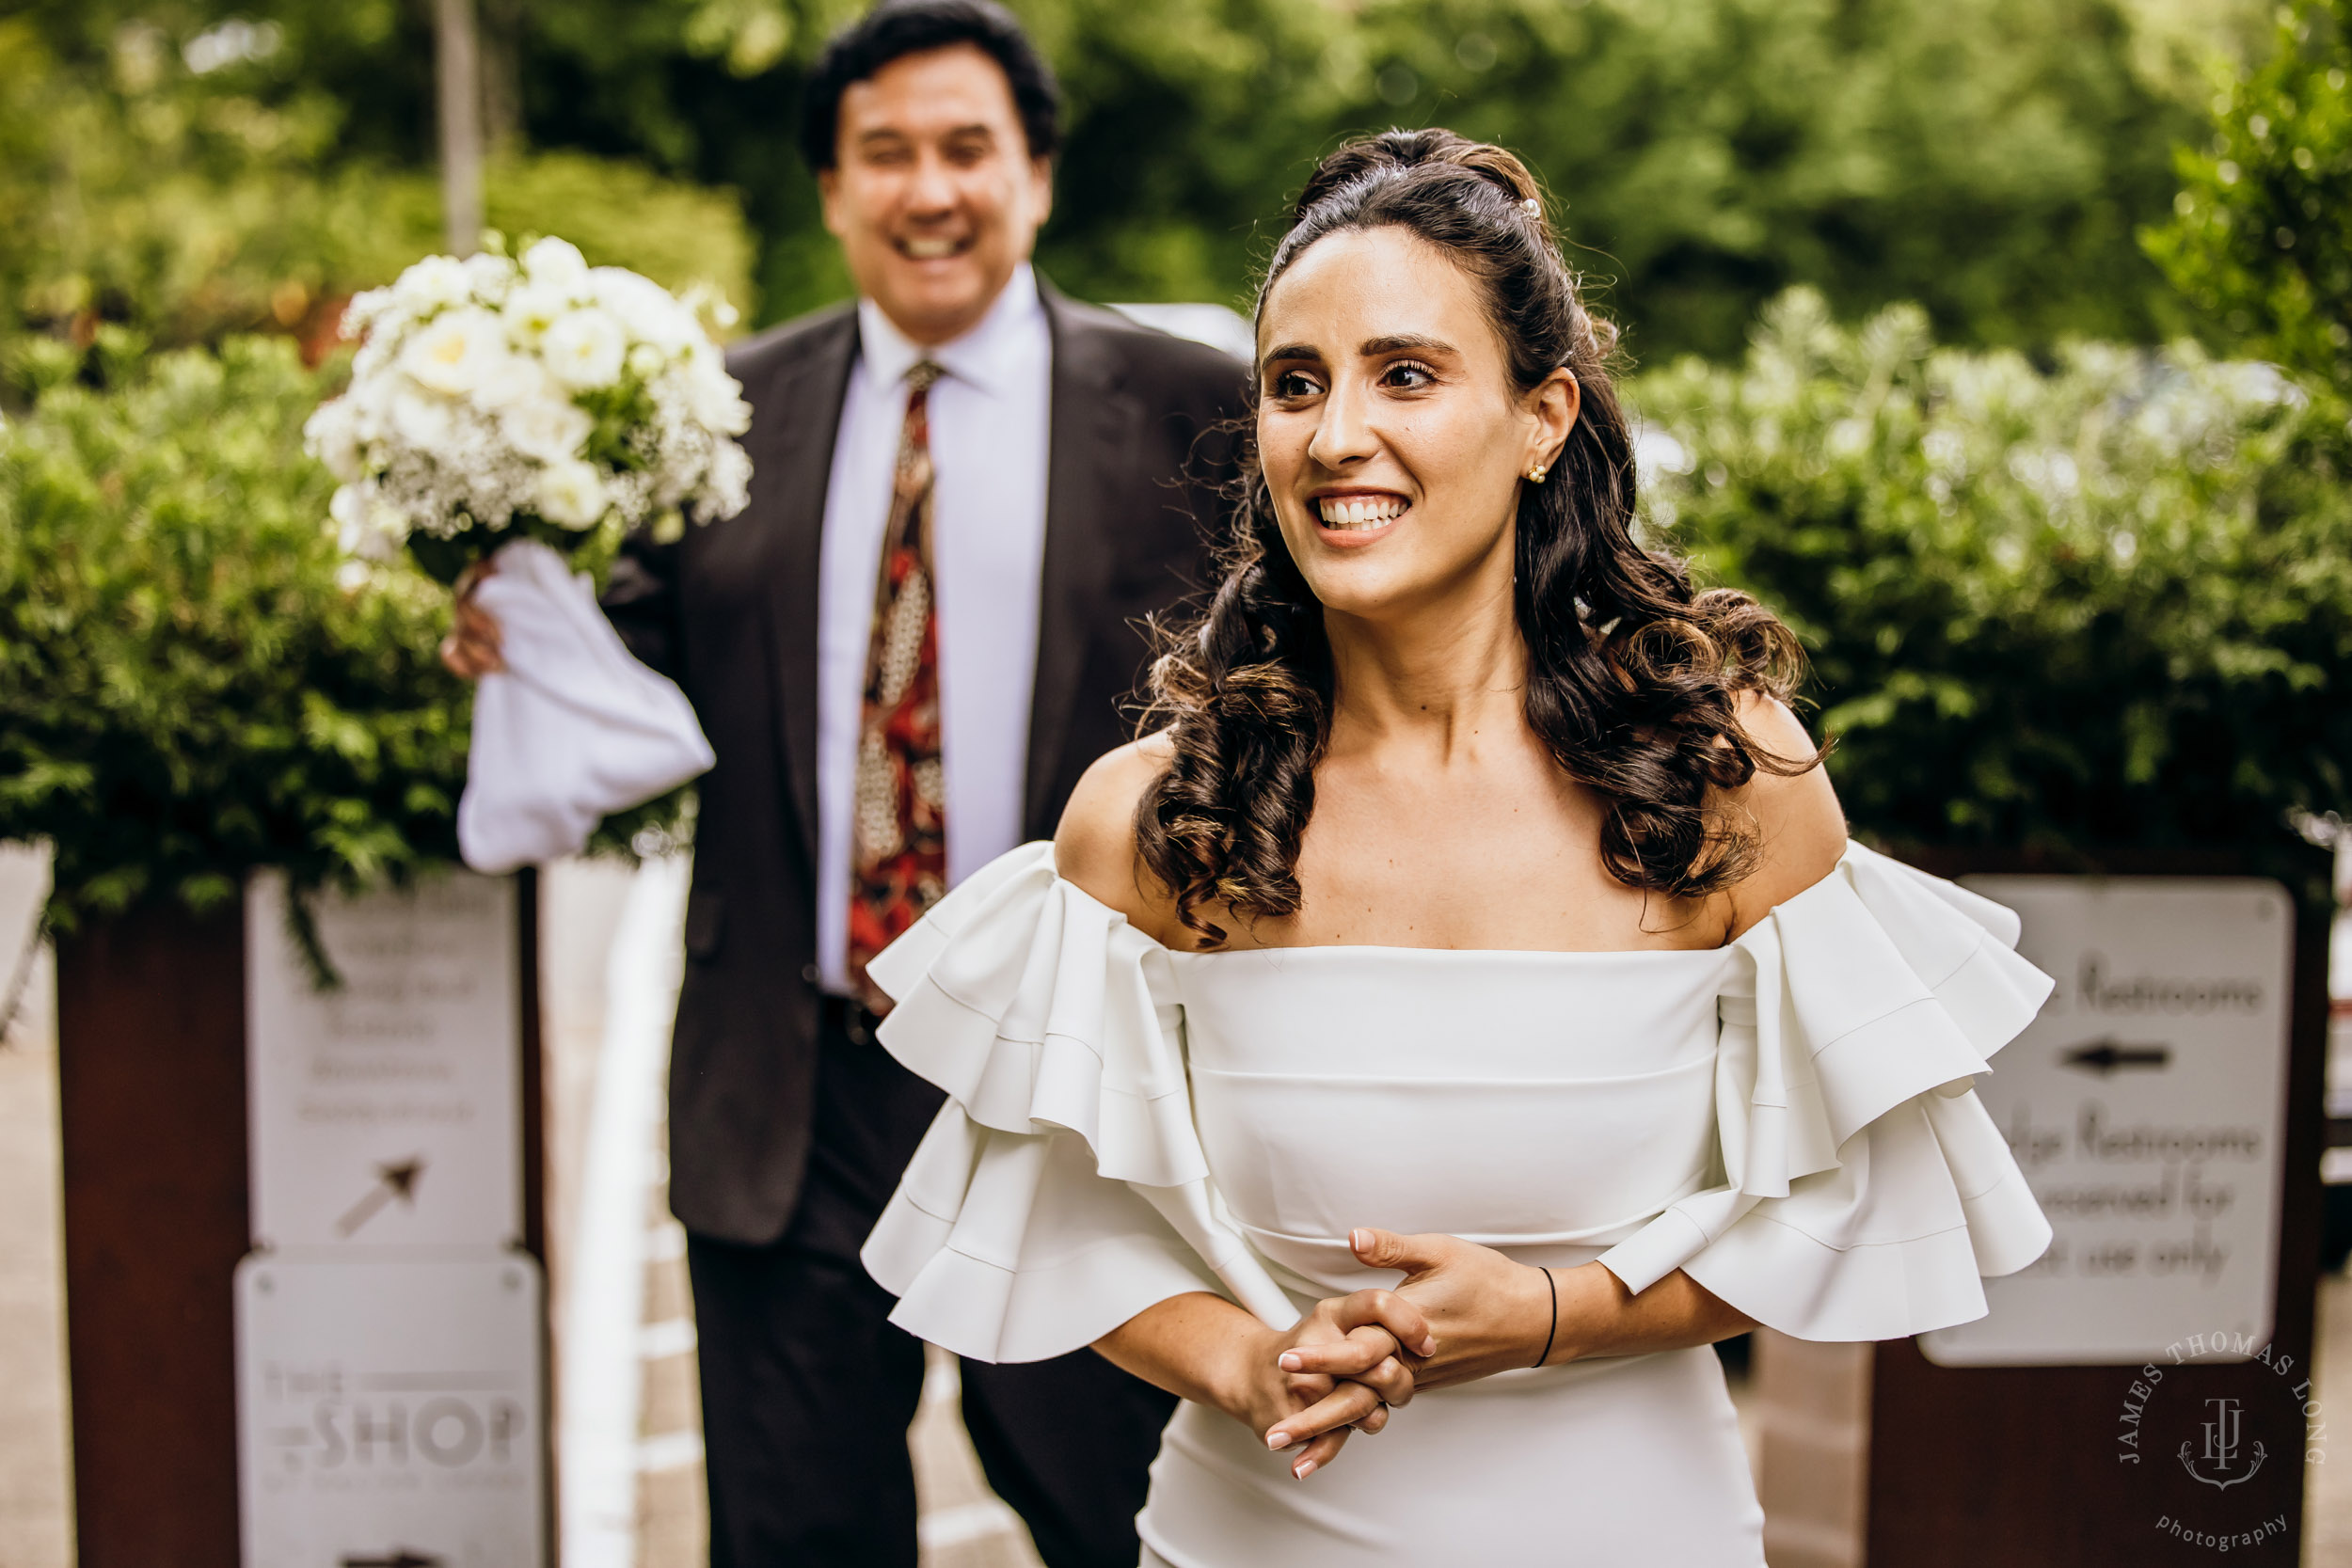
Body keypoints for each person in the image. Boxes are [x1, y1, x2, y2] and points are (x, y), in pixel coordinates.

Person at [855, 129, 2058, 1564]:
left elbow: (1837, 1207)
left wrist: (1555, 1318)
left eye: (1406, 374)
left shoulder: (1723, 782)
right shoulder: (1157, 820)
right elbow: (1058, 1220)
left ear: (1543, 417)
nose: (1336, 433)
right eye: (1295, 385)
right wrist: (1248, 1365)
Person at [442, 3, 1246, 1563]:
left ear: (1037, 176)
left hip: (1081, 1091)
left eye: (966, 149)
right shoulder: (712, 418)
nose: (926, 189)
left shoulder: (1191, 411)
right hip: (792, 1092)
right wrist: (509, 628)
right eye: (885, 154)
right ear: (831, 188)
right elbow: (621, 679)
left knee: (1133, 1530)